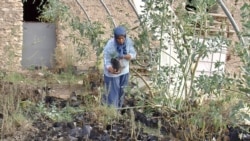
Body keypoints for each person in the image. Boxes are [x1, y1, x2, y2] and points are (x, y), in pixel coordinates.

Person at [103, 26, 137, 108]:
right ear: (115, 38)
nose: (121, 41)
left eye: (122, 38)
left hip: (124, 71)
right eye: (118, 39)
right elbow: (106, 58)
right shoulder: (110, 45)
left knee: (122, 91)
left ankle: (119, 109)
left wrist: (129, 56)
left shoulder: (128, 42)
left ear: (125, 37)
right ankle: (112, 112)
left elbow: (133, 53)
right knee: (112, 93)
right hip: (113, 73)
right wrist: (110, 68)